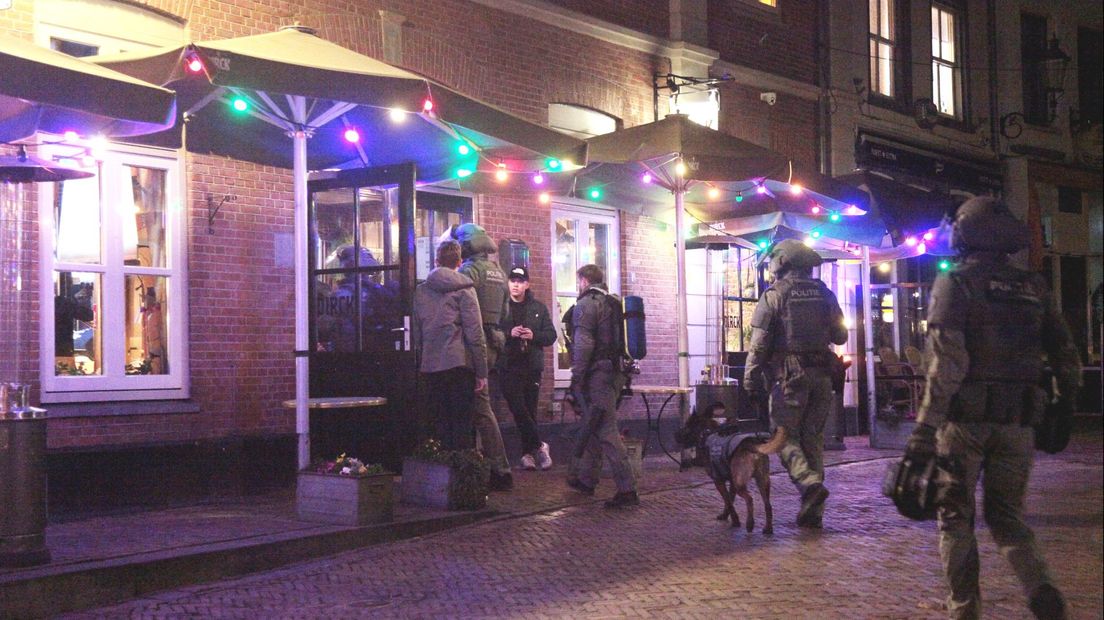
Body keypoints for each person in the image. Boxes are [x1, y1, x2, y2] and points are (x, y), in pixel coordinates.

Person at [904, 197, 1081, 620]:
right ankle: (1040, 586)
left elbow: (948, 365)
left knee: (956, 518)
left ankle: (965, 610)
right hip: (1019, 422)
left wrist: (924, 430)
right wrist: (1065, 405)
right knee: (1007, 516)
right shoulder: (1034, 287)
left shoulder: (956, 284)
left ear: (964, 234)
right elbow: (1066, 353)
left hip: (964, 423)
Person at [743, 239, 847, 528]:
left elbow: (759, 344)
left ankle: (809, 484)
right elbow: (840, 337)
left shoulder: (774, 295)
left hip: (790, 377)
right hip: (823, 377)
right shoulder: (825, 293)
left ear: (781, 263)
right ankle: (813, 511)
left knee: (784, 437)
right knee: (813, 439)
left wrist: (750, 377)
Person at [565, 264, 638, 508]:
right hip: (616, 374)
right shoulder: (614, 302)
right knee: (596, 422)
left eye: (579, 282)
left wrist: (577, 377)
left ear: (584, 280)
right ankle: (587, 480)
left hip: (598, 375)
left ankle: (627, 490)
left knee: (606, 429)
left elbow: (583, 345)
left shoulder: (586, 305)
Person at [451, 223, 514, 491]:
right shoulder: (498, 272)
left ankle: (499, 469)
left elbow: (460, 308)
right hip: (494, 342)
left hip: (474, 344)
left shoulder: (469, 271)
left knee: (480, 407)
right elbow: (506, 313)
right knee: (481, 406)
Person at [411, 240, 488, 451]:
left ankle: (439, 475)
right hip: (458, 364)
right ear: (460, 262)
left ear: (436, 261)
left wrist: (422, 358)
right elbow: (475, 333)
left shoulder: (421, 291)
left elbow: (417, 331)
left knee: (438, 424)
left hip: (430, 366)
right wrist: (481, 371)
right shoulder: (465, 289)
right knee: (461, 424)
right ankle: (461, 476)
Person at [498, 266, 558, 470]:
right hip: (508, 366)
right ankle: (540, 445)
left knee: (530, 410)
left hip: (531, 366)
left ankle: (527, 455)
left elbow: (551, 336)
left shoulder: (538, 308)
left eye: (520, 281)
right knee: (517, 408)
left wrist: (534, 335)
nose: (516, 284)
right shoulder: (502, 307)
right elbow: (494, 332)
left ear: (527, 284)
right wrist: (509, 333)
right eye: (513, 280)